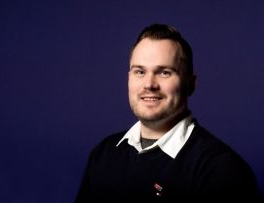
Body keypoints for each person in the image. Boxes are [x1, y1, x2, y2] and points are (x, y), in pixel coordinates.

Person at [75, 24, 262, 202]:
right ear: (129, 78)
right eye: (140, 72)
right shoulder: (104, 154)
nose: (149, 84)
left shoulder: (221, 170)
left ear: (190, 84)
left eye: (164, 72)